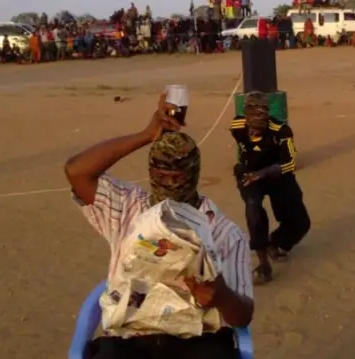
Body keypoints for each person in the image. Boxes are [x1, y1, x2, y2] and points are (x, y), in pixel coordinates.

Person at [65, 93, 254, 359]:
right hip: (129, 339)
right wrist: (145, 135)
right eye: (160, 176)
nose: (170, 184)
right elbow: (76, 171)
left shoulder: (225, 233)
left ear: (194, 174)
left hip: (196, 340)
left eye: (178, 177)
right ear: (150, 173)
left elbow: (243, 316)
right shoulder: (127, 207)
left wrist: (221, 296)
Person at [230, 91, 310, 284]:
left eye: (263, 112)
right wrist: (248, 172)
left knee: (300, 222)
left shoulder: (280, 131)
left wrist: (263, 173)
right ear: (245, 115)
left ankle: (277, 242)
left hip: (277, 174)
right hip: (249, 173)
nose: (259, 118)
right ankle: (263, 263)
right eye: (253, 113)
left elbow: (290, 163)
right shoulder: (237, 126)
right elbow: (244, 151)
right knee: (253, 208)